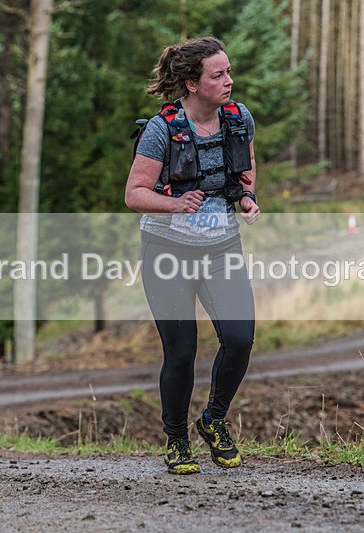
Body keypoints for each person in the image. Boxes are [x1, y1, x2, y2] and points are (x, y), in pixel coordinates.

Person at [124, 36, 259, 475]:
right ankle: (177, 440)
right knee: (181, 353)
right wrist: (174, 204)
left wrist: (247, 199)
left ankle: (214, 420)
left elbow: (244, 173)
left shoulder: (238, 120)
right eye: (218, 75)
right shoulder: (162, 130)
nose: (228, 81)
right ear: (192, 83)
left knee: (239, 338)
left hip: (221, 248)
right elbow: (134, 194)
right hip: (167, 252)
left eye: (228, 71)